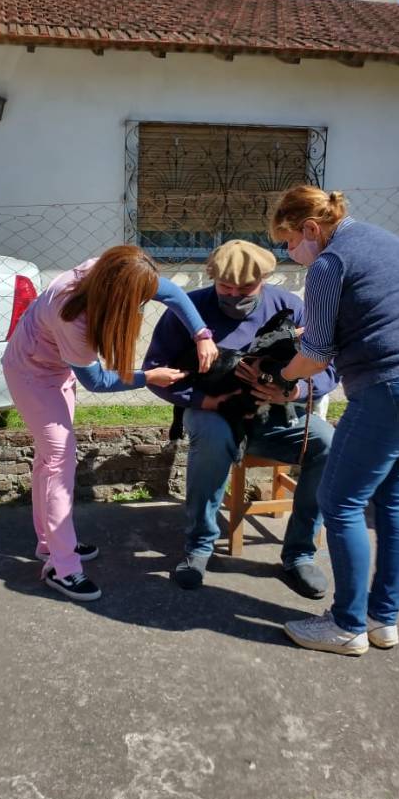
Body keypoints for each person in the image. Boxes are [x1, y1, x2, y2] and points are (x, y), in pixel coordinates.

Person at [272, 186, 399, 656]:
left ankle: (346, 625)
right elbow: (380, 311)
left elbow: (315, 355)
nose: (289, 253)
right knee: (397, 500)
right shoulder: (386, 239)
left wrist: (282, 376)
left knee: (339, 502)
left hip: (393, 389)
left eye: (288, 241)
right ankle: (383, 621)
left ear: (311, 229)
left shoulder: (327, 264)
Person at [2, 245, 218, 602]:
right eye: (136, 303)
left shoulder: (111, 272)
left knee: (49, 461)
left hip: (56, 371)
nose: (139, 308)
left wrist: (202, 335)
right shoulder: (72, 314)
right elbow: (98, 381)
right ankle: (63, 567)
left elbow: (175, 293)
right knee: (59, 461)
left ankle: (50, 546)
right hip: (30, 374)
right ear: (117, 293)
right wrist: (149, 377)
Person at [143, 239, 338, 596]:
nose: (234, 295)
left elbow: (329, 367)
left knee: (327, 444)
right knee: (214, 438)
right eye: (225, 288)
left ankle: (299, 554)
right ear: (211, 277)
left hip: (275, 414)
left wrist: (292, 391)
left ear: (266, 277)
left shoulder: (290, 307)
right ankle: (199, 545)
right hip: (212, 411)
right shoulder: (188, 309)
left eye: (245, 288)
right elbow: (155, 370)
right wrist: (204, 399)